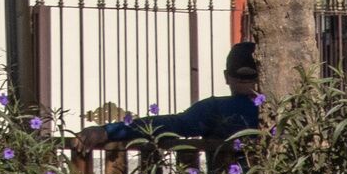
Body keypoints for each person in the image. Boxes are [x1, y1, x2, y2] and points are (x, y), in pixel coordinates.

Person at [94, 41, 262, 154]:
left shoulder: (215, 109)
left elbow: (174, 124)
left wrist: (107, 131)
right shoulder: (278, 109)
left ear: (227, 77)